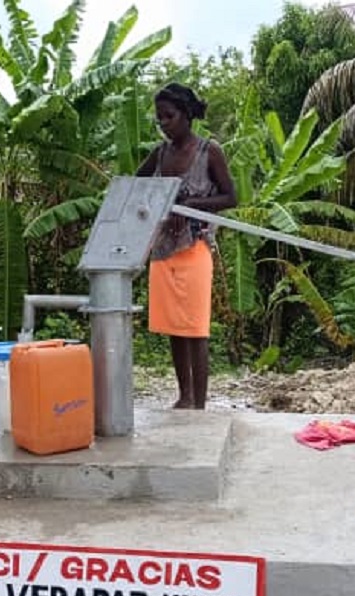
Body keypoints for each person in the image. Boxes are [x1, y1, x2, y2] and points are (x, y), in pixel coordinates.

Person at [136, 83, 237, 409]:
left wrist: (192, 204)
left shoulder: (210, 151)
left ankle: (200, 403)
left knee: (194, 326)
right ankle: (185, 396)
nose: (164, 123)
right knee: (173, 326)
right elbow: (136, 185)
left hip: (195, 246)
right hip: (164, 248)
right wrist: (161, 202)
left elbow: (230, 197)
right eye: (159, 118)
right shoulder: (160, 153)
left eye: (169, 116)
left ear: (187, 115)